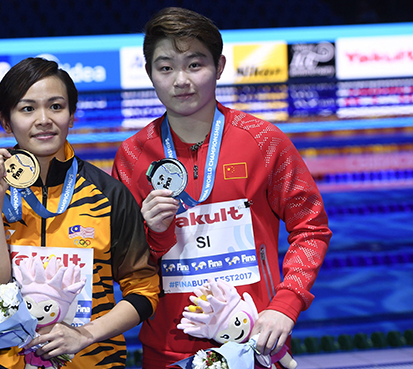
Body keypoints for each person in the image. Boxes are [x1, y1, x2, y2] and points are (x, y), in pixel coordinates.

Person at [111, 7, 332, 368]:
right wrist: (155, 234)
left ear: (220, 66)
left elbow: (311, 227)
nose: (180, 80)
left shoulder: (263, 141)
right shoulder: (133, 156)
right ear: (150, 74)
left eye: (194, 65)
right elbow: (127, 266)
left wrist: (286, 305)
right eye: (165, 68)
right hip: (168, 349)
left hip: (255, 338)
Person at [0, 57, 160, 368]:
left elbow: (145, 289)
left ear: (72, 116)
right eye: (27, 109)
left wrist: (85, 334)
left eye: (56, 106)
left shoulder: (108, 194)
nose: (44, 119)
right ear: (6, 120)